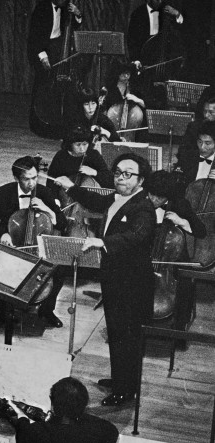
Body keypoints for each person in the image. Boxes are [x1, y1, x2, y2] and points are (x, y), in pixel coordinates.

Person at [68, 153, 157, 405]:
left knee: (127, 336)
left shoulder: (143, 207)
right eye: (118, 172)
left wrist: (102, 241)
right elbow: (95, 200)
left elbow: (137, 236)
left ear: (140, 180)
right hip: (115, 278)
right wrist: (72, 188)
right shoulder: (117, 198)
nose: (121, 177)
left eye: (128, 174)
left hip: (132, 282)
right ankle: (120, 380)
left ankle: (125, 391)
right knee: (117, 333)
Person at [0, 155, 67, 327]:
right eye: (27, 179)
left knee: (60, 270)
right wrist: (2, 235)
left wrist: (47, 209)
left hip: (38, 247)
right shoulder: (3, 193)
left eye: (35, 178)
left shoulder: (44, 192)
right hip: (13, 244)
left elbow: (62, 222)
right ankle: (5, 310)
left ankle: (46, 310)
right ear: (16, 178)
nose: (32, 183)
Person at [142, 171, 206, 338]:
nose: (154, 200)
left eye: (159, 197)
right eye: (151, 195)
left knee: (184, 285)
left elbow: (201, 231)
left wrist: (182, 222)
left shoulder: (180, 204)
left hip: (171, 259)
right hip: (145, 258)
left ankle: (178, 333)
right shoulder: (142, 201)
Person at [27, 0, 82, 136]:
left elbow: (74, 26)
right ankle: (37, 122)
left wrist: (77, 14)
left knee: (59, 85)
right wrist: (43, 57)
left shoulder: (65, 6)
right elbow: (35, 36)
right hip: (42, 49)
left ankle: (58, 120)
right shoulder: (41, 8)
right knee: (42, 85)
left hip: (58, 47)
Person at [126, 0, 184, 64]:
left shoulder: (165, 11)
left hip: (161, 58)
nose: (160, 1)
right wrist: (136, 60)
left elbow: (180, 25)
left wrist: (176, 13)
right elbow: (132, 40)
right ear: (148, 0)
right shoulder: (138, 14)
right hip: (143, 58)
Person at [176, 97, 215, 167]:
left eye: (211, 112)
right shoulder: (194, 126)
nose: (206, 115)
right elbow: (182, 151)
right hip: (195, 165)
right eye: (205, 111)